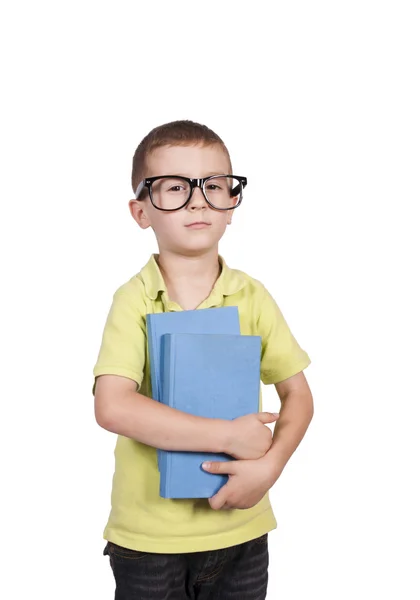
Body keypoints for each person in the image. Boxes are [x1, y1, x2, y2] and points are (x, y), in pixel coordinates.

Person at [92, 119, 314, 599]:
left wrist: (270, 466)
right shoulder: (134, 301)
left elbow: (297, 393)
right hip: (149, 540)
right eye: (175, 187)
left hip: (242, 530)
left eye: (214, 186)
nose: (198, 200)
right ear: (141, 211)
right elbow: (113, 407)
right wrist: (228, 436)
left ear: (232, 203)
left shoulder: (251, 297)